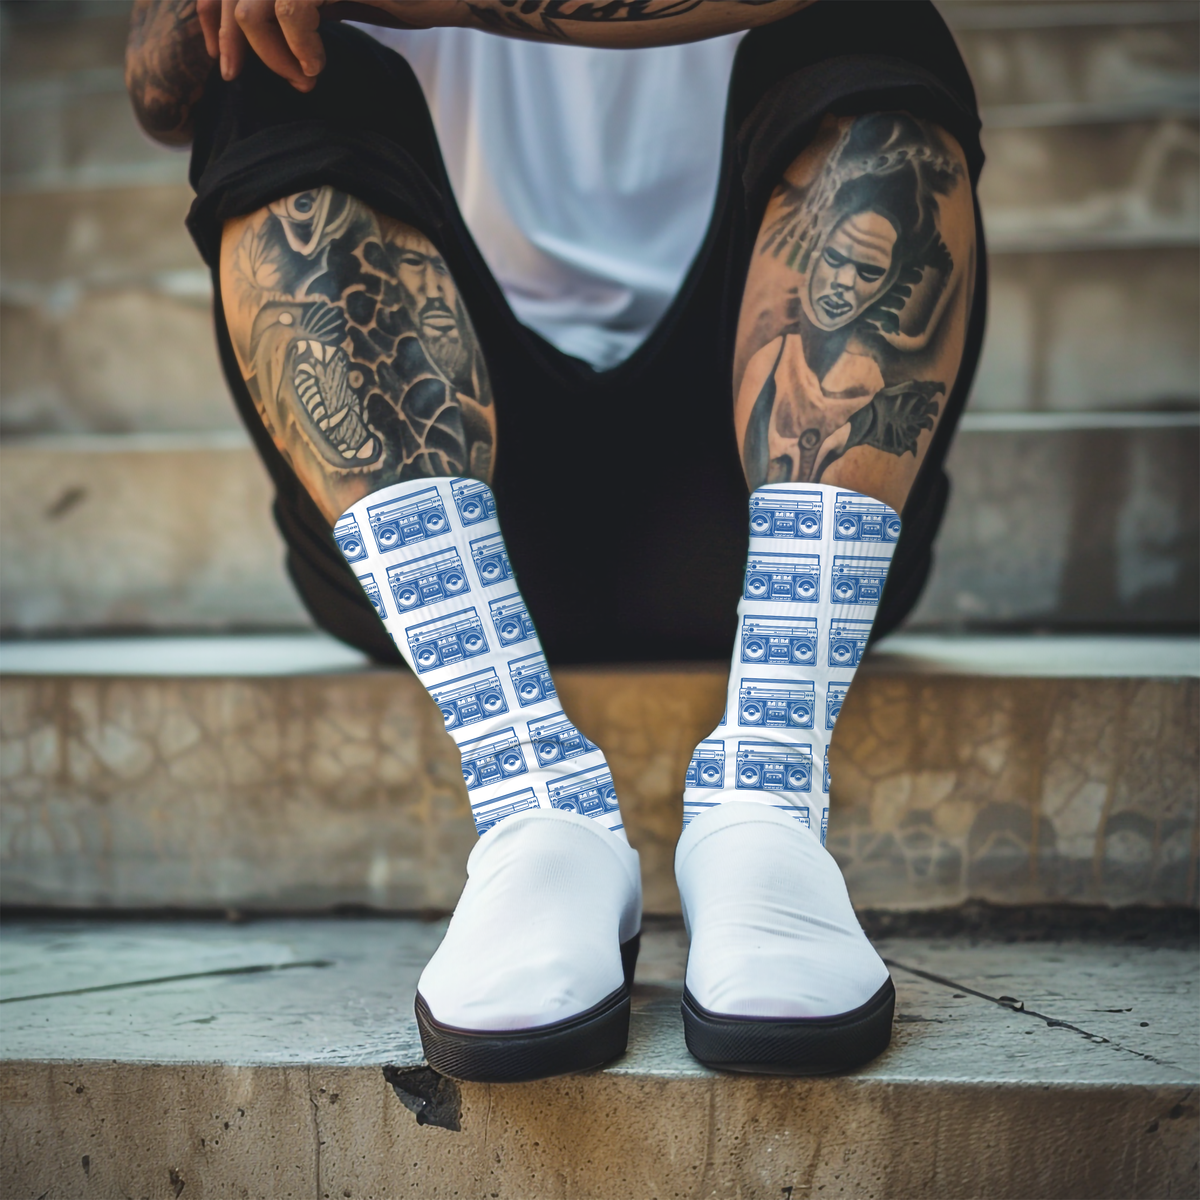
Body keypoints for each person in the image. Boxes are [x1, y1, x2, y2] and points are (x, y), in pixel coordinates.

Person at [125, 0, 984, 1082]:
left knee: (871, 22)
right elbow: (158, 86)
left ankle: (767, 795)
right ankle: (534, 804)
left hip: (763, 497)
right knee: (262, 65)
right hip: (442, 510)